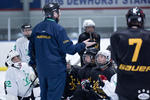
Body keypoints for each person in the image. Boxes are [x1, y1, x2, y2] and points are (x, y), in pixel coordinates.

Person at [28, 3, 95, 100]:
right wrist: (83, 44)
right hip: (56, 70)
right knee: (54, 96)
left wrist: (34, 65)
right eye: (59, 12)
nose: (60, 15)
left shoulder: (36, 28)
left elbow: (31, 50)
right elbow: (70, 49)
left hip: (42, 69)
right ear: (54, 14)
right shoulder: (58, 29)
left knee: (44, 95)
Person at [111, 7, 150, 100]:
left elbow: (115, 58)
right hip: (146, 81)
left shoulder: (116, 35)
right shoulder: (148, 36)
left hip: (125, 84)